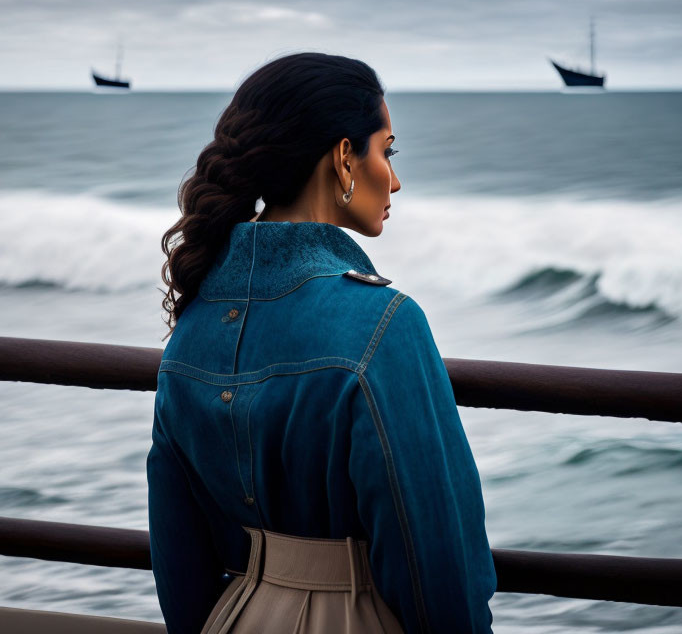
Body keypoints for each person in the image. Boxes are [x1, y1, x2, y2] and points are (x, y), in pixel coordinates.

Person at [147, 52, 496, 633]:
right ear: (343, 158)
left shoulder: (194, 326)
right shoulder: (384, 325)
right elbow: (436, 559)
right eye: (387, 150)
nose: (396, 177)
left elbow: (177, 560)